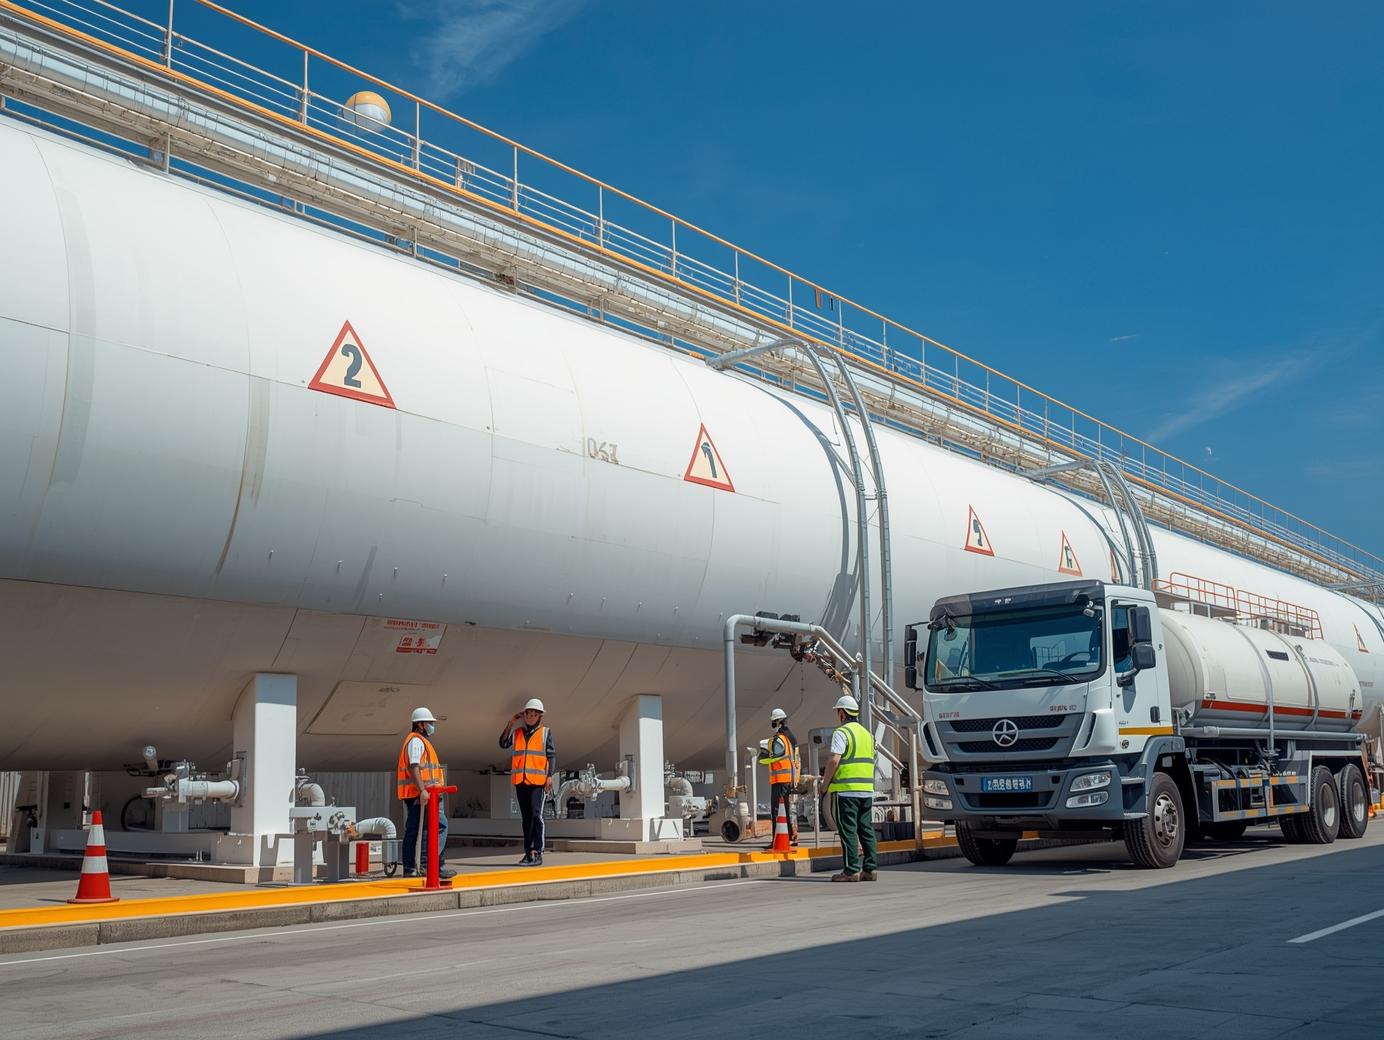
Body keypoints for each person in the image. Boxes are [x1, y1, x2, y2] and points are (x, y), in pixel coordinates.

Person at [819, 694, 877, 882]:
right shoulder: (868, 735)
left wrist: (824, 784)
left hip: (846, 791)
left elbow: (834, 759)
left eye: (838, 712)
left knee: (848, 830)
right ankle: (870, 869)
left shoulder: (842, 733)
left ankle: (851, 870)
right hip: (866, 790)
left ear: (842, 714)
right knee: (866, 829)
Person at [397, 706, 455, 879]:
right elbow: (414, 766)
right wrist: (422, 790)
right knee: (438, 826)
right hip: (421, 795)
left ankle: (417, 867)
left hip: (425, 794)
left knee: (417, 830)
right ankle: (430, 865)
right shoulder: (416, 742)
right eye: (429, 723)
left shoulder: (418, 741)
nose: (432, 726)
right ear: (420, 725)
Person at [499, 697, 555, 865]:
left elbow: (551, 756)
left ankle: (538, 852)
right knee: (526, 818)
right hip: (521, 781)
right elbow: (502, 743)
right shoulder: (517, 733)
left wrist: (550, 776)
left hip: (538, 782)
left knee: (536, 816)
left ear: (539, 716)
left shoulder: (545, 733)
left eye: (534, 714)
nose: (531, 717)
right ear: (524, 716)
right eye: (528, 714)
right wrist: (511, 723)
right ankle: (528, 852)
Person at [757, 708, 800, 845]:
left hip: (780, 781)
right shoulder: (790, 738)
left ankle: (778, 840)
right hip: (789, 779)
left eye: (773, 722)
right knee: (786, 810)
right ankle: (790, 837)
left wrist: (763, 756)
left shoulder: (779, 739)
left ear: (779, 722)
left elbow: (773, 758)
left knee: (777, 811)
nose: (773, 725)